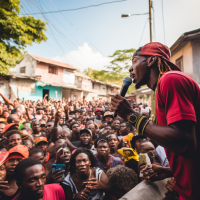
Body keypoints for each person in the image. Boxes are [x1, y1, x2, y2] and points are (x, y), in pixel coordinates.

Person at [111, 42, 200, 200]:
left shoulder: (171, 79)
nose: (130, 69)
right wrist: (170, 172)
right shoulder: (161, 89)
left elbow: (186, 143)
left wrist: (132, 116)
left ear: (151, 60)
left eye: (134, 61)